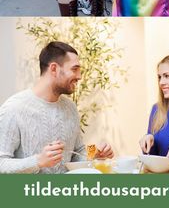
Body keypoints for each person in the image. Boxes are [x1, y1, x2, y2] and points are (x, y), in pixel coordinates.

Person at [0, 41, 114, 174]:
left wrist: (94, 152)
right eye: (74, 69)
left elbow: (77, 153)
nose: (79, 76)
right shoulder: (14, 108)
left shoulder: (70, 107)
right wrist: (37, 161)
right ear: (54, 69)